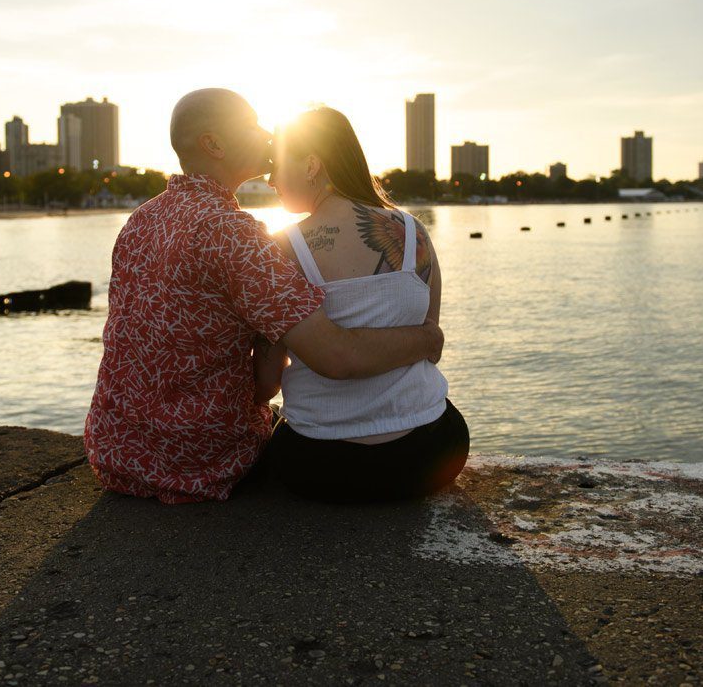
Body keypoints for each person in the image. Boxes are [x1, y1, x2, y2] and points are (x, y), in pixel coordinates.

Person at [84, 89, 444, 504]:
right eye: (253, 124)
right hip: (198, 462)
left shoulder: (141, 220)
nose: (267, 136)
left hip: (118, 451)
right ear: (214, 144)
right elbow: (333, 358)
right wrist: (429, 338)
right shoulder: (233, 235)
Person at [258, 106, 470, 503]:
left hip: (317, 463)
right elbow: (430, 341)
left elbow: (267, 379)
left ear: (311, 165)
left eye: (275, 164)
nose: (269, 179)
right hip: (430, 452)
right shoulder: (413, 233)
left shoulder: (280, 249)